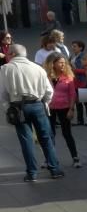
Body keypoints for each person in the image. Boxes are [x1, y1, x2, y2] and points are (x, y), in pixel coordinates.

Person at [0, 44, 65, 182]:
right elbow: (49, 91)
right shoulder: (38, 68)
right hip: (37, 104)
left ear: (11, 54)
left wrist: (7, 108)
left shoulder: (5, 69)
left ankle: (32, 173)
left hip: (17, 107)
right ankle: (54, 169)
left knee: (26, 141)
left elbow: (2, 94)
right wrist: (45, 104)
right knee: (46, 138)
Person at [45, 53, 81, 168]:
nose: (63, 64)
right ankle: (49, 159)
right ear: (53, 64)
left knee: (67, 133)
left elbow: (72, 94)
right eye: (60, 62)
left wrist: (71, 109)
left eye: (64, 62)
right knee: (50, 134)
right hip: (50, 108)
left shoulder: (68, 76)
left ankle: (75, 157)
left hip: (64, 108)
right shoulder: (46, 76)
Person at [70, 40, 87, 126]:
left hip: (83, 81)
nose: (73, 48)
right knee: (78, 102)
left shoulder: (84, 57)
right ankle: (80, 120)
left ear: (80, 48)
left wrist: (74, 70)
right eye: (72, 46)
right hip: (75, 81)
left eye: (75, 46)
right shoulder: (72, 56)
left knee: (86, 101)